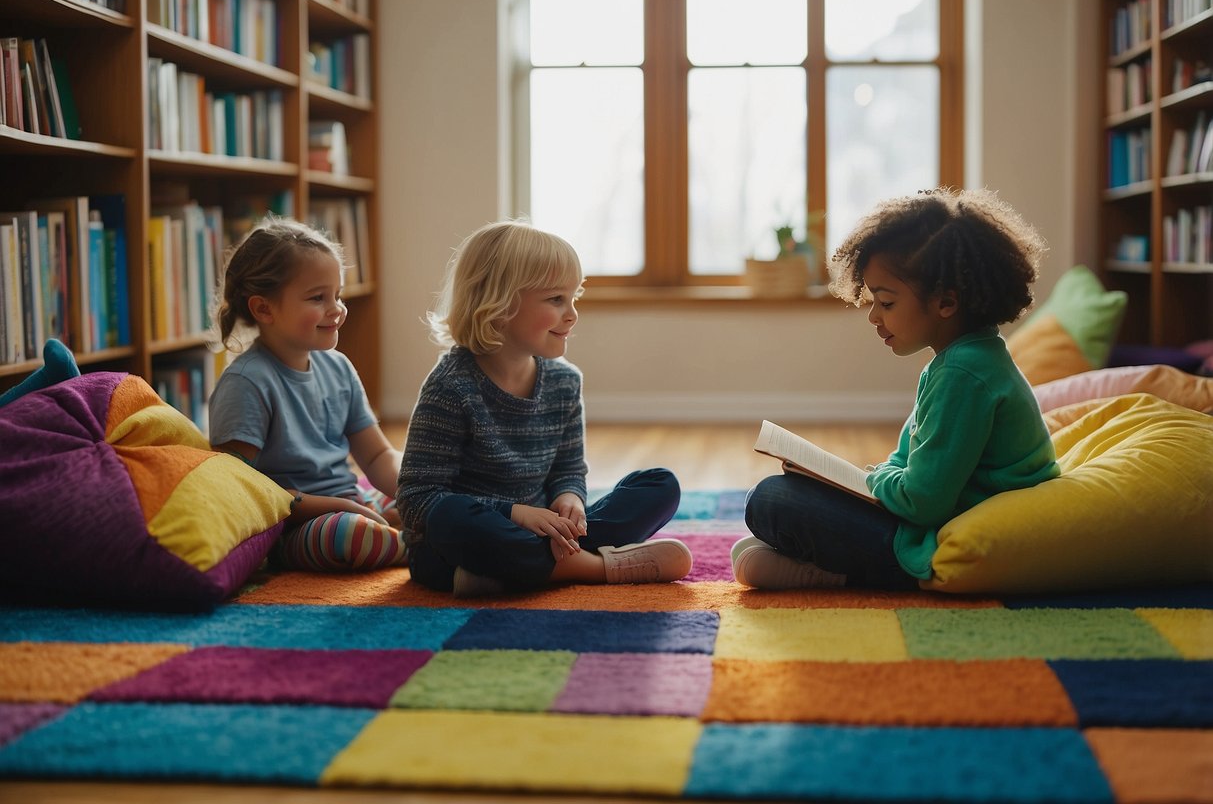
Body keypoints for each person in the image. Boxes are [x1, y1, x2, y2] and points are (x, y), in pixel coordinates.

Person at [733, 188, 1060, 590]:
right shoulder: (959, 360)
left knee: (771, 500)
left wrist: (868, 484)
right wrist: (866, 481)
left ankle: (840, 574)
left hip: (938, 536)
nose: (873, 316)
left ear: (946, 302)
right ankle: (819, 562)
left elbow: (922, 503)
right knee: (772, 509)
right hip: (938, 517)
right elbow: (905, 460)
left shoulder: (965, 375)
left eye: (886, 303)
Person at [398, 219, 691, 597]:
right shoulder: (451, 385)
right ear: (498, 304)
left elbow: (568, 468)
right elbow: (416, 497)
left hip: (542, 533)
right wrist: (514, 514)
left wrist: (569, 498)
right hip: (469, 540)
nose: (572, 314)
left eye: (574, 298)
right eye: (556, 300)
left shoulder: (564, 382)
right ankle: (596, 568)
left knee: (659, 484)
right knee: (449, 517)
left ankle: (518, 571)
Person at [209, 217, 408, 572]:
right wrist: (337, 508)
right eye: (318, 298)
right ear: (263, 308)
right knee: (350, 534)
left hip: (352, 499)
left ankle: (407, 530)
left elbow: (377, 456)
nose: (336, 309)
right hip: (294, 523)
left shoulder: (338, 367)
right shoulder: (247, 382)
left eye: (337, 295)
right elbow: (241, 488)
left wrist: (421, 486)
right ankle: (425, 549)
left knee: (424, 498)